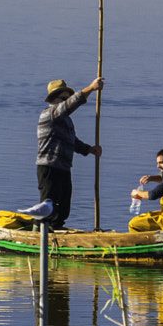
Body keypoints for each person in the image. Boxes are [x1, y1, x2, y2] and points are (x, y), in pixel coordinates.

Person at [34, 76, 102, 229]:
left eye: (68, 97)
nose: (67, 100)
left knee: (63, 207)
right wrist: (91, 88)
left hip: (63, 167)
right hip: (49, 166)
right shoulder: (51, 113)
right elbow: (71, 104)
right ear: (55, 98)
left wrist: (89, 149)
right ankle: (39, 232)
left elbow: (72, 141)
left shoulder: (66, 120)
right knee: (48, 204)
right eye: (64, 98)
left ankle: (55, 229)